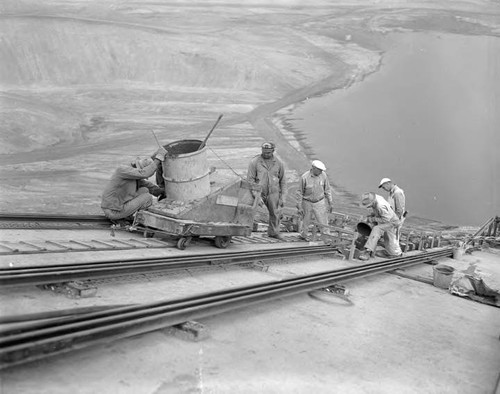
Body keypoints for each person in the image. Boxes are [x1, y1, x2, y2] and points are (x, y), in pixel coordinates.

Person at [101, 146, 168, 223]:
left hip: (116, 208)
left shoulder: (132, 176)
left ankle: (125, 216)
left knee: (144, 190)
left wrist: (162, 192)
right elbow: (146, 173)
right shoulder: (122, 170)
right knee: (147, 197)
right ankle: (141, 221)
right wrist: (159, 158)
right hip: (113, 211)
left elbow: (149, 186)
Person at [247, 142, 287, 240]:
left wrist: (283, 197)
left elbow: (283, 181)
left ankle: (273, 232)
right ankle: (245, 231)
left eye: (268, 152)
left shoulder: (279, 163)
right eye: (264, 152)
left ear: (273, 151)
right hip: (258, 191)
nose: (266, 154)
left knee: (275, 213)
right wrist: (256, 195)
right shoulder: (255, 162)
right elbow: (250, 180)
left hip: (273, 192)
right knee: (248, 210)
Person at [358, 192, 403, 260]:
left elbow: (386, 219)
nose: (368, 207)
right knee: (389, 239)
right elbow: (379, 211)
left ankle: (368, 252)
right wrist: (372, 215)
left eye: (368, 205)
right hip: (389, 217)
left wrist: (372, 219)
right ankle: (393, 253)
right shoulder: (376, 198)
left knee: (377, 229)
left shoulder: (380, 206)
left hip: (391, 221)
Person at [296, 160, 334, 241]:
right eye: (319, 170)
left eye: (321, 170)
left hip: (319, 201)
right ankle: (304, 235)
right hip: (307, 202)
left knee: (323, 221)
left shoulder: (323, 176)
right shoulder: (304, 177)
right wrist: (299, 206)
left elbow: (327, 190)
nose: (321, 172)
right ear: (313, 168)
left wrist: (330, 202)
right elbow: (299, 193)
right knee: (306, 220)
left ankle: (326, 238)